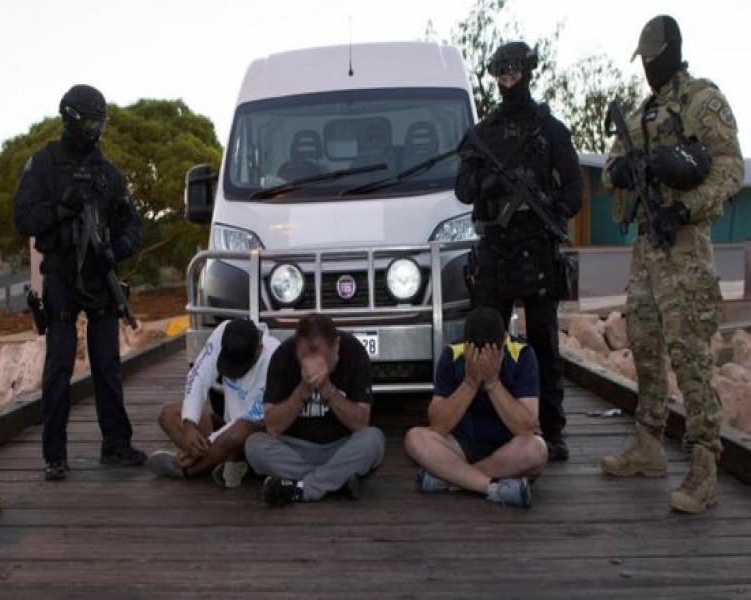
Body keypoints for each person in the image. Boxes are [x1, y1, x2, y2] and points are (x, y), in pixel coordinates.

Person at [601, 16, 744, 514]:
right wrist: (620, 171)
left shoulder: (702, 101)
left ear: (672, 52)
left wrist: (686, 208)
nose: (647, 68)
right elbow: (612, 167)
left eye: (653, 58)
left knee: (690, 355)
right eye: (643, 61)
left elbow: (730, 167)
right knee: (642, 341)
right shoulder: (643, 113)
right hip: (647, 248)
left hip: (683, 244)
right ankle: (649, 442)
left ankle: (704, 463)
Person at [455, 41, 583, 462]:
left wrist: (553, 209)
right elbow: (462, 189)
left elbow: (574, 188)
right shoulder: (483, 134)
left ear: (528, 72)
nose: (509, 80)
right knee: (485, 338)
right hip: (496, 246)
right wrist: (486, 185)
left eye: (515, 72)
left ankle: (553, 429)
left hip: (538, 246)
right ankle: (488, 426)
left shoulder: (550, 129)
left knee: (544, 342)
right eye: (502, 73)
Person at [13, 84, 146, 481]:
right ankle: (55, 454)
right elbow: (23, 219)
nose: (95, 131)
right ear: (70, 119)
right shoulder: (44, 164)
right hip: (61, 276)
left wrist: (116, 249)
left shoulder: (108, 172)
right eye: (89, 123)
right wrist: (59, 209)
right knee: (58, 367)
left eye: (99, 124)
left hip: (100, 277)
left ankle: (116, 444)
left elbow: (131, 224)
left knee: (107, 364)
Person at [405, 308, 546, 508]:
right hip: (461, 443)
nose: (483, 361)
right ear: (466, 346)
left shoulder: (523, 355)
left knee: (537, 450)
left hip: (507, 447)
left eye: (491, 354)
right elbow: (437, 425)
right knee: (415, 438)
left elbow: (525, 427)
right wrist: (470, 383)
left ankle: (453, 480)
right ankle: (492, 487)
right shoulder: (452, 354)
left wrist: (493, 383)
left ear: (503, 343)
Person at [244, 315, 385, 505]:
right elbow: (273, 426)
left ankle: (304, 488)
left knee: (373, 440)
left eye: (320, 355)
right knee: (254, 446)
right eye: (304, 355)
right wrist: (303, 390)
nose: (312, 361)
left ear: (336, 346)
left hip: (340, 447)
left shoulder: (354, 352)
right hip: (295, 448)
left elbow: (360, 423)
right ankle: (336, 481)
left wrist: (326, 388)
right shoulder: (283, 354)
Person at [149, 319, 280, 487]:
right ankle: (222, 461)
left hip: (252, 433)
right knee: (168, 415)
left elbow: (250, 417)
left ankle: (187, 470)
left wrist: (210, 442)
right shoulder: (224, 331)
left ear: (259, 348)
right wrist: (189, 424)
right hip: (226, 424)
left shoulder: (275, 357)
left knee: (238, 432)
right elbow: (198, 376)